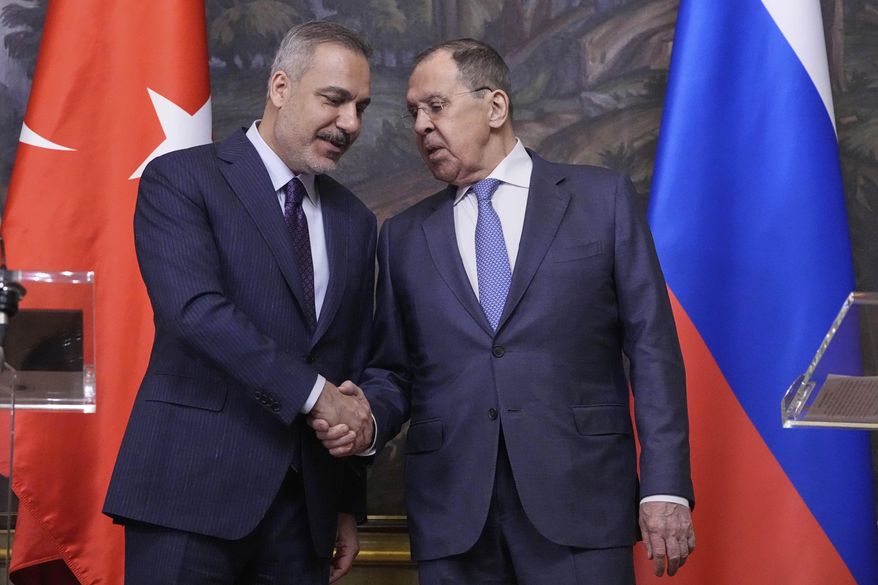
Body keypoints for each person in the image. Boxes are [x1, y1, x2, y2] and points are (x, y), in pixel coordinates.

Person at [313, 39, 695, 584]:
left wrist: (664, 485)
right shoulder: (402, 236)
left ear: (495, 107)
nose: (420, 125)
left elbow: (654, 352)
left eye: (436, 107)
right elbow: (395, 370)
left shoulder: (601, 199)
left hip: (580, 505)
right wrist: (368, 418)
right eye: (413, 113)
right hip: (453, 516)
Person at [104, 21, 376, 585]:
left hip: (305, 514)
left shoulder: (356, 220)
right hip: (188, 496)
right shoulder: (181, 179)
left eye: (361, 108)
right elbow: (195, 312)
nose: (350, 123)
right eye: (334, 100)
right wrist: (313, 395)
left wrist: (346, 500)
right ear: (281, 87)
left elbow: (345, 358)